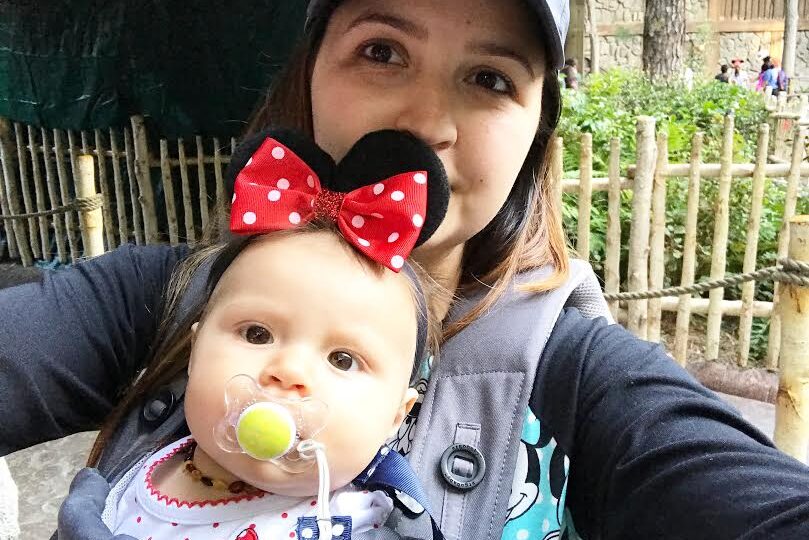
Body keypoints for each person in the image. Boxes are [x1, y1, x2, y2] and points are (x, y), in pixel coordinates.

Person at [3, 1, 809, 539]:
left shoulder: (578, 374)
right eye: (381, 51)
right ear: (308, 73)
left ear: (536, 132)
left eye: (490, 79)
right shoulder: (159, 295)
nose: (426, 124)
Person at [72, 127, 450, 539]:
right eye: (256, 334)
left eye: (343, 359)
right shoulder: (138, 473)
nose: (287, 371)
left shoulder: (364, 522)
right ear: (196, 351)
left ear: (396, 415)